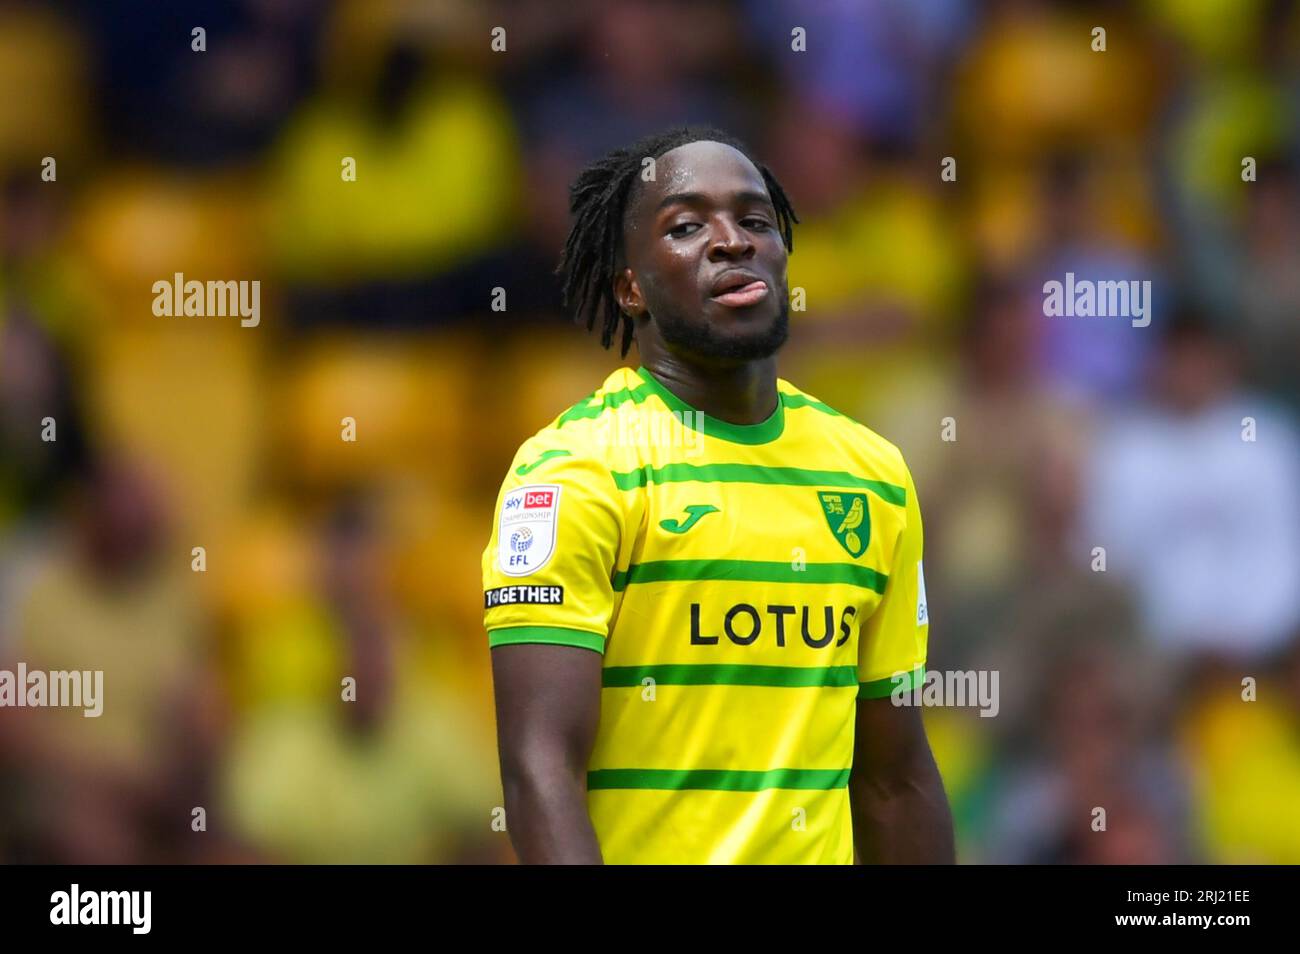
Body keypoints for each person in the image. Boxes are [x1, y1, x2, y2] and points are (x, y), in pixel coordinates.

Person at [482, 126, 954, 864]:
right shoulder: (574, 472)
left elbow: (895, 778)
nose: (732, 240)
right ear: (629, 286)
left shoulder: (873, 477)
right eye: (686, 226)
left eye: (756, 220)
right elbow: (540, 771)